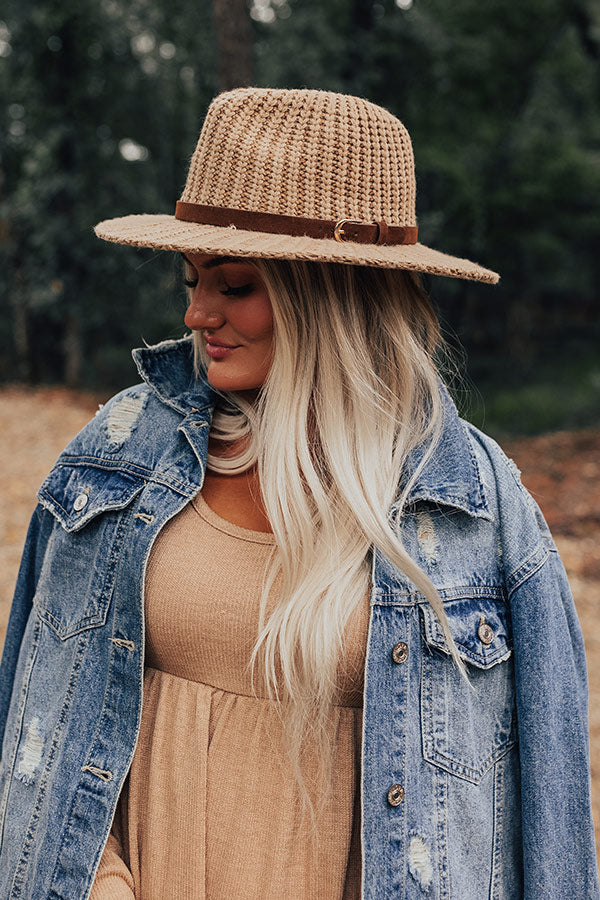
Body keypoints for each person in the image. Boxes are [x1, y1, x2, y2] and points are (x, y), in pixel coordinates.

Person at [0, 87, 597, 900]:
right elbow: (36, 724)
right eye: (193, 278)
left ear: (333, 297)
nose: (196, 310)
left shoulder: (477, 511)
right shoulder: (115, 455)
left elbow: (550, 813)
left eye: (234, 284)